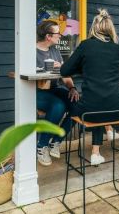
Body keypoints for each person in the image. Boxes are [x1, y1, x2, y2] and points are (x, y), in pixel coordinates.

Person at [61, 9, 119, 166]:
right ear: (111, 29)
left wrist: (85, 67)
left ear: (93, 28)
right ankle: (96, 151)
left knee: (86, 103)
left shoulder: (85, 46)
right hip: (117, 111)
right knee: (99, 102)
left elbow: (64, 71)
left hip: (91, 111)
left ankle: (53, 143)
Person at [36, 20, 80, 166]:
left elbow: (64, 73)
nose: (60, 36)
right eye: (57, 33)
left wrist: (72, 88)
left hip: (54, 89)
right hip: (35, 91)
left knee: (78, 104)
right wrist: (45, 69)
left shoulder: (55, 50)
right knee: (58, 105)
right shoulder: (31, 51)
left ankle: (56, 141)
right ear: (48, 36)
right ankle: (41, 146)